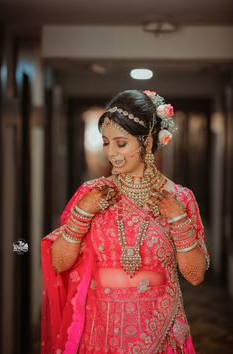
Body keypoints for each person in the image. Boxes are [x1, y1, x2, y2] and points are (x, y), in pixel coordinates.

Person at [41, 89, 210, 354]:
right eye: (105, 142)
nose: (110, 153)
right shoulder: (91, 194)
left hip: (160, 331)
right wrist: (83, 213)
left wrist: (177, 218)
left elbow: (195, 276)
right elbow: (59, 262)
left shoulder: (179, 198)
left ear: (147, 142)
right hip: (99, 331)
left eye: (120, 143)